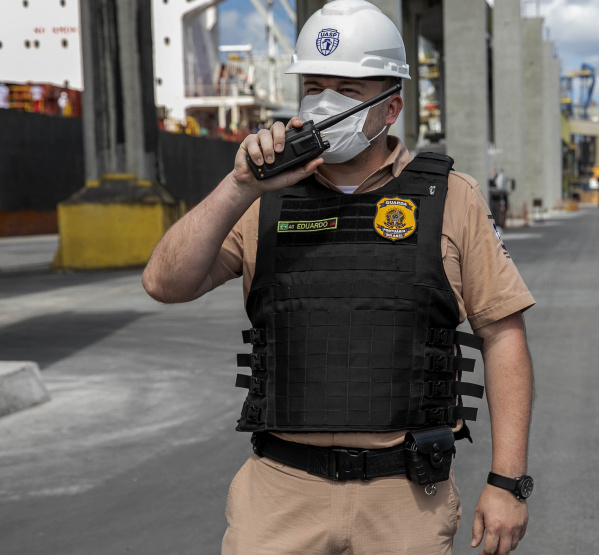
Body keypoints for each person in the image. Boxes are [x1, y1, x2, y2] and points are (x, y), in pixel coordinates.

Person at [142, 1, 535, 554]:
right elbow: (165, 283)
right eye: (314, 86)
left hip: (406, 497)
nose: (325, 103)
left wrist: (507, 481)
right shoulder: (261, 197)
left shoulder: (452, 199)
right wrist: (240, 185)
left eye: (348, 91)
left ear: (390, 107)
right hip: (281, 493)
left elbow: (503, 335)